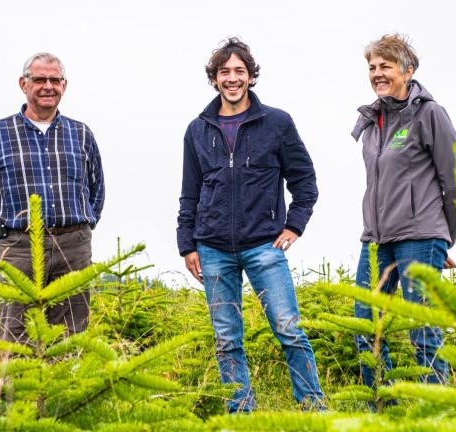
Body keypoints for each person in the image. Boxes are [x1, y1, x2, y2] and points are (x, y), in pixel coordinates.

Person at [177, 37, 325, 412]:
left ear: (251, 77)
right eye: (224, 72)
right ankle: (241, 413)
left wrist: (294, 225)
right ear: (214, 78)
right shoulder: (197, 129)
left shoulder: (276, 123)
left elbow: (304, 180)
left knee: (289, 330)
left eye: (239, 71)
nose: (232, 78)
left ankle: (313, 408)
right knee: (227, 339)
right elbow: (189, 193)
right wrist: (187, 244)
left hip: (264, 246)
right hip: (211, 248)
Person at [350, 34, 456, 389]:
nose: (377, 73)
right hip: (376, 240)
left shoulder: (430, 114)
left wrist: (443, 239)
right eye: (372, 67)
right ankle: (382, 408)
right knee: (365, 324)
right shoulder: (373, 121)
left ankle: (437, 410)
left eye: (386, 66)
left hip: (420, 236)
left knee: (422, 328)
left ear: (408, 71)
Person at [0, 52, 104, 343]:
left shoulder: (81, 134)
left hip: (73, 247)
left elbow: (97, 188)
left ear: (64, 85)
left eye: (55, 80)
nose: (48, 86)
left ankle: (66, 389)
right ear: (23, 83)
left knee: (71, 334)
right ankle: (9, 390)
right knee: (14, 333)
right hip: (19, 245)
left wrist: (84, 225)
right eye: (40, 79)